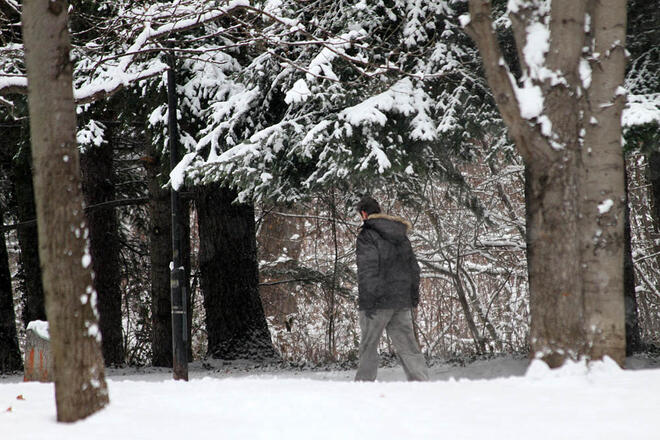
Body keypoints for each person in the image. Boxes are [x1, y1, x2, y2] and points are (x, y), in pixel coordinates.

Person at [354, 195, 429, 381]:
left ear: (364, 213)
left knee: (369, 345)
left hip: (377, 301)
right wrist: (413, 295)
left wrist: (368, 301)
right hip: (401, 299)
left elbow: (368, 269)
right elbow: (413, 267)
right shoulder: (400, 235)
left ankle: (364, 384)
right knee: (408, 345)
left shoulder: (367, 235)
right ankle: (421, 381)